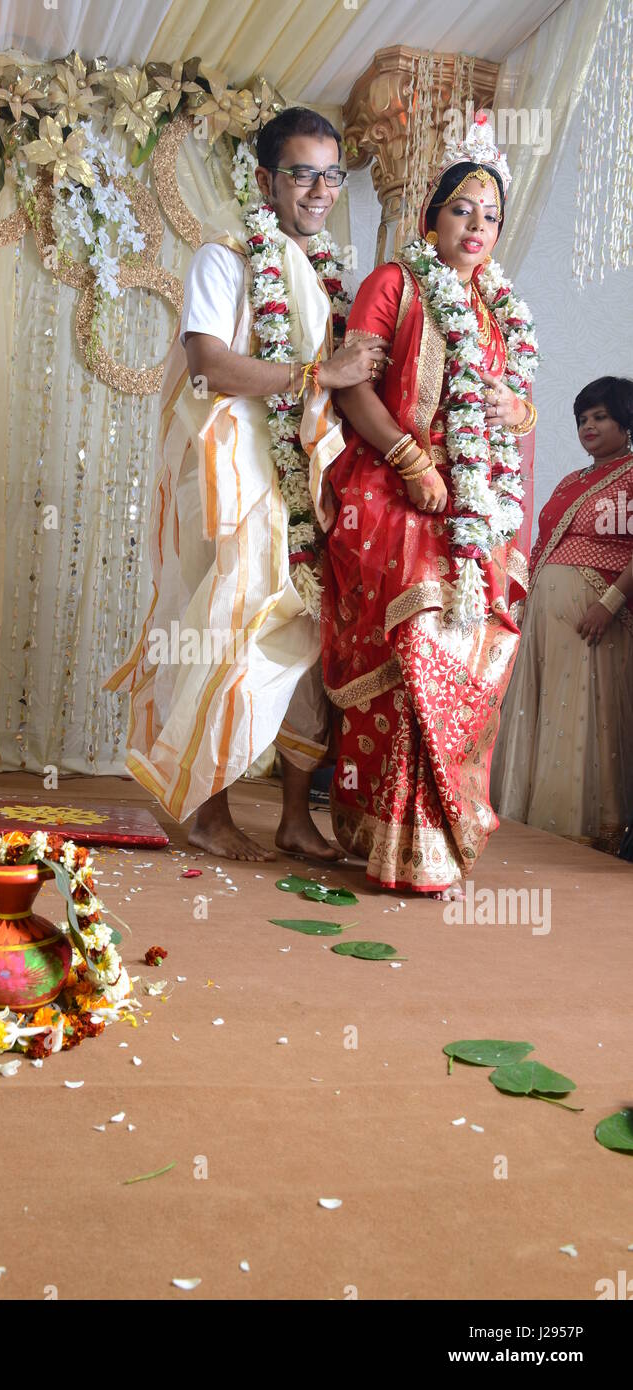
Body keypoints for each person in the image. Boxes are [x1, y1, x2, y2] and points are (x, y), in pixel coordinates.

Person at [105, 107, 385, 861]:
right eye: (303, 173)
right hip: (233, 479)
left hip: (306, 480)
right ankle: (207, 810)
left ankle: (295, 818)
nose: (320, 190)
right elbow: (209, 364)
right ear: (265, 179)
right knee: (232, 630)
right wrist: (316, 372)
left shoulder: (326, 278)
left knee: (309, 636)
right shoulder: (225, 259)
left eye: (331, 175)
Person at [318, 118, 538, 897]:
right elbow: (350, 385)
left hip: (471, 512)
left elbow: (510, 407)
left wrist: (520, 412)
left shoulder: (497, 308)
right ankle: (387, 838)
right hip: (392, 493)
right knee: (411, 655)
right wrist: (409, 459)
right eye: (461, 210)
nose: (476, 227)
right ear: (428, 219)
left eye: (489, 216)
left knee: (461, 661)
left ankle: (436, 841)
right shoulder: (394, 284)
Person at [492, 377, 633, 852]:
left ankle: (581, 831)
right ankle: (527, 821)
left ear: (625, 422)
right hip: (546, 620)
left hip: (595, 619)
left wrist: (609, 604)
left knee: (579, 719)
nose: (588, 427)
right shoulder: (572, 481)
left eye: (600, 417)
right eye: (582, 419)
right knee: (543, 710)